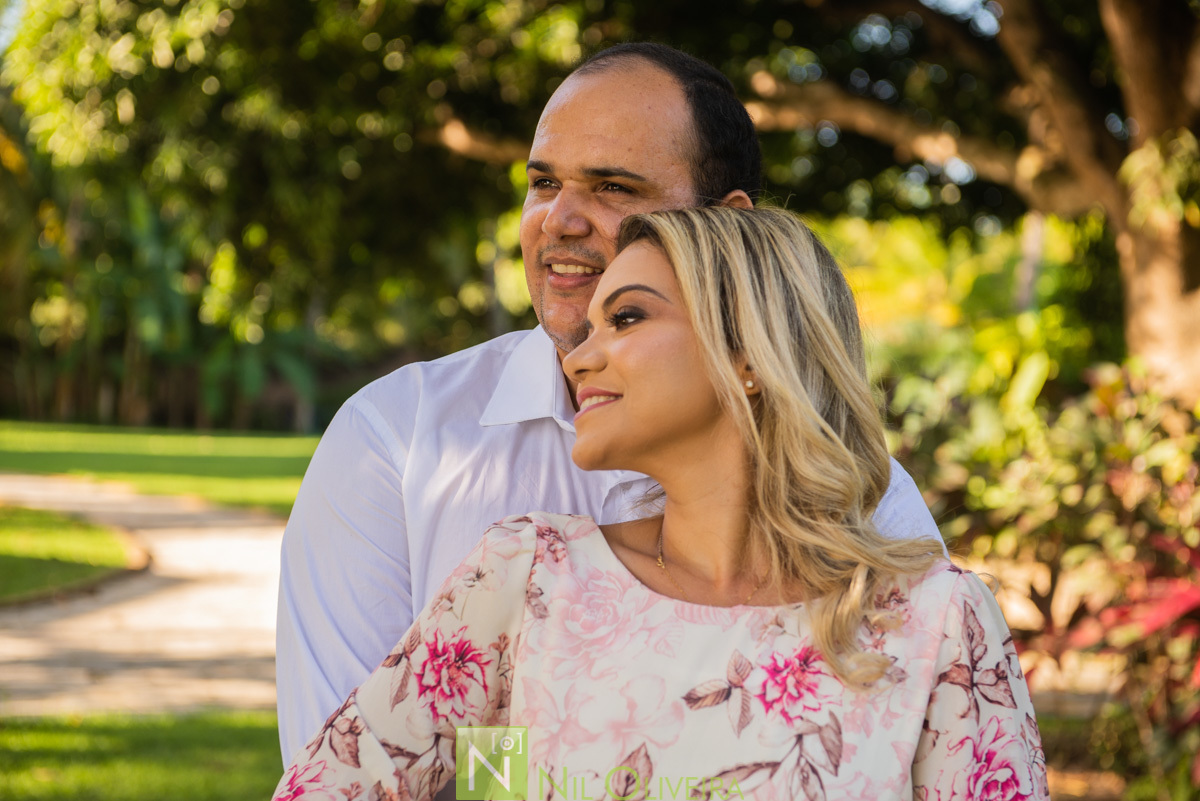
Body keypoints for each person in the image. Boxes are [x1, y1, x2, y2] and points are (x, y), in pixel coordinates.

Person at [275, 42, 947, 765]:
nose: (557, 220)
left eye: (612, 188)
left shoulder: (865, 512)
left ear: (728, 232)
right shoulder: (401, 447)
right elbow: (345, 769)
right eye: (542, 182)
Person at [273, 207, 1048, 801]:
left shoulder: (936, 621)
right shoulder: (523, 579)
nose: (580, 353)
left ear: (746, 353)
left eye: (629, 316)